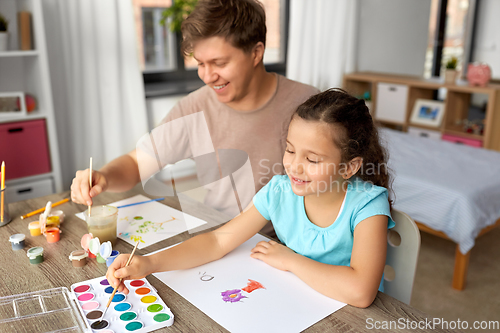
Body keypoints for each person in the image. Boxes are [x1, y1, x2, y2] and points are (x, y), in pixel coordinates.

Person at [106, 89, 396, 308]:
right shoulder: (280, 191)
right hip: (297, 302)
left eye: (312, 159)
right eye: (290, 150)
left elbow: (361, 291)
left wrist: (290, 261)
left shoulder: (368, 205)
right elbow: (219, 240)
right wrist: (150, 263)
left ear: (349, 167)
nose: (294, 166)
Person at [69, 0, 318, 235]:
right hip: (218, 236)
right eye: (200, 64)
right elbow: (136, 164)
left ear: (256, 53)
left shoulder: (309, 104)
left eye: (219, 63)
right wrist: (104, 176)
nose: (208, 76)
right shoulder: (194, 108)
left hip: (286, 243)